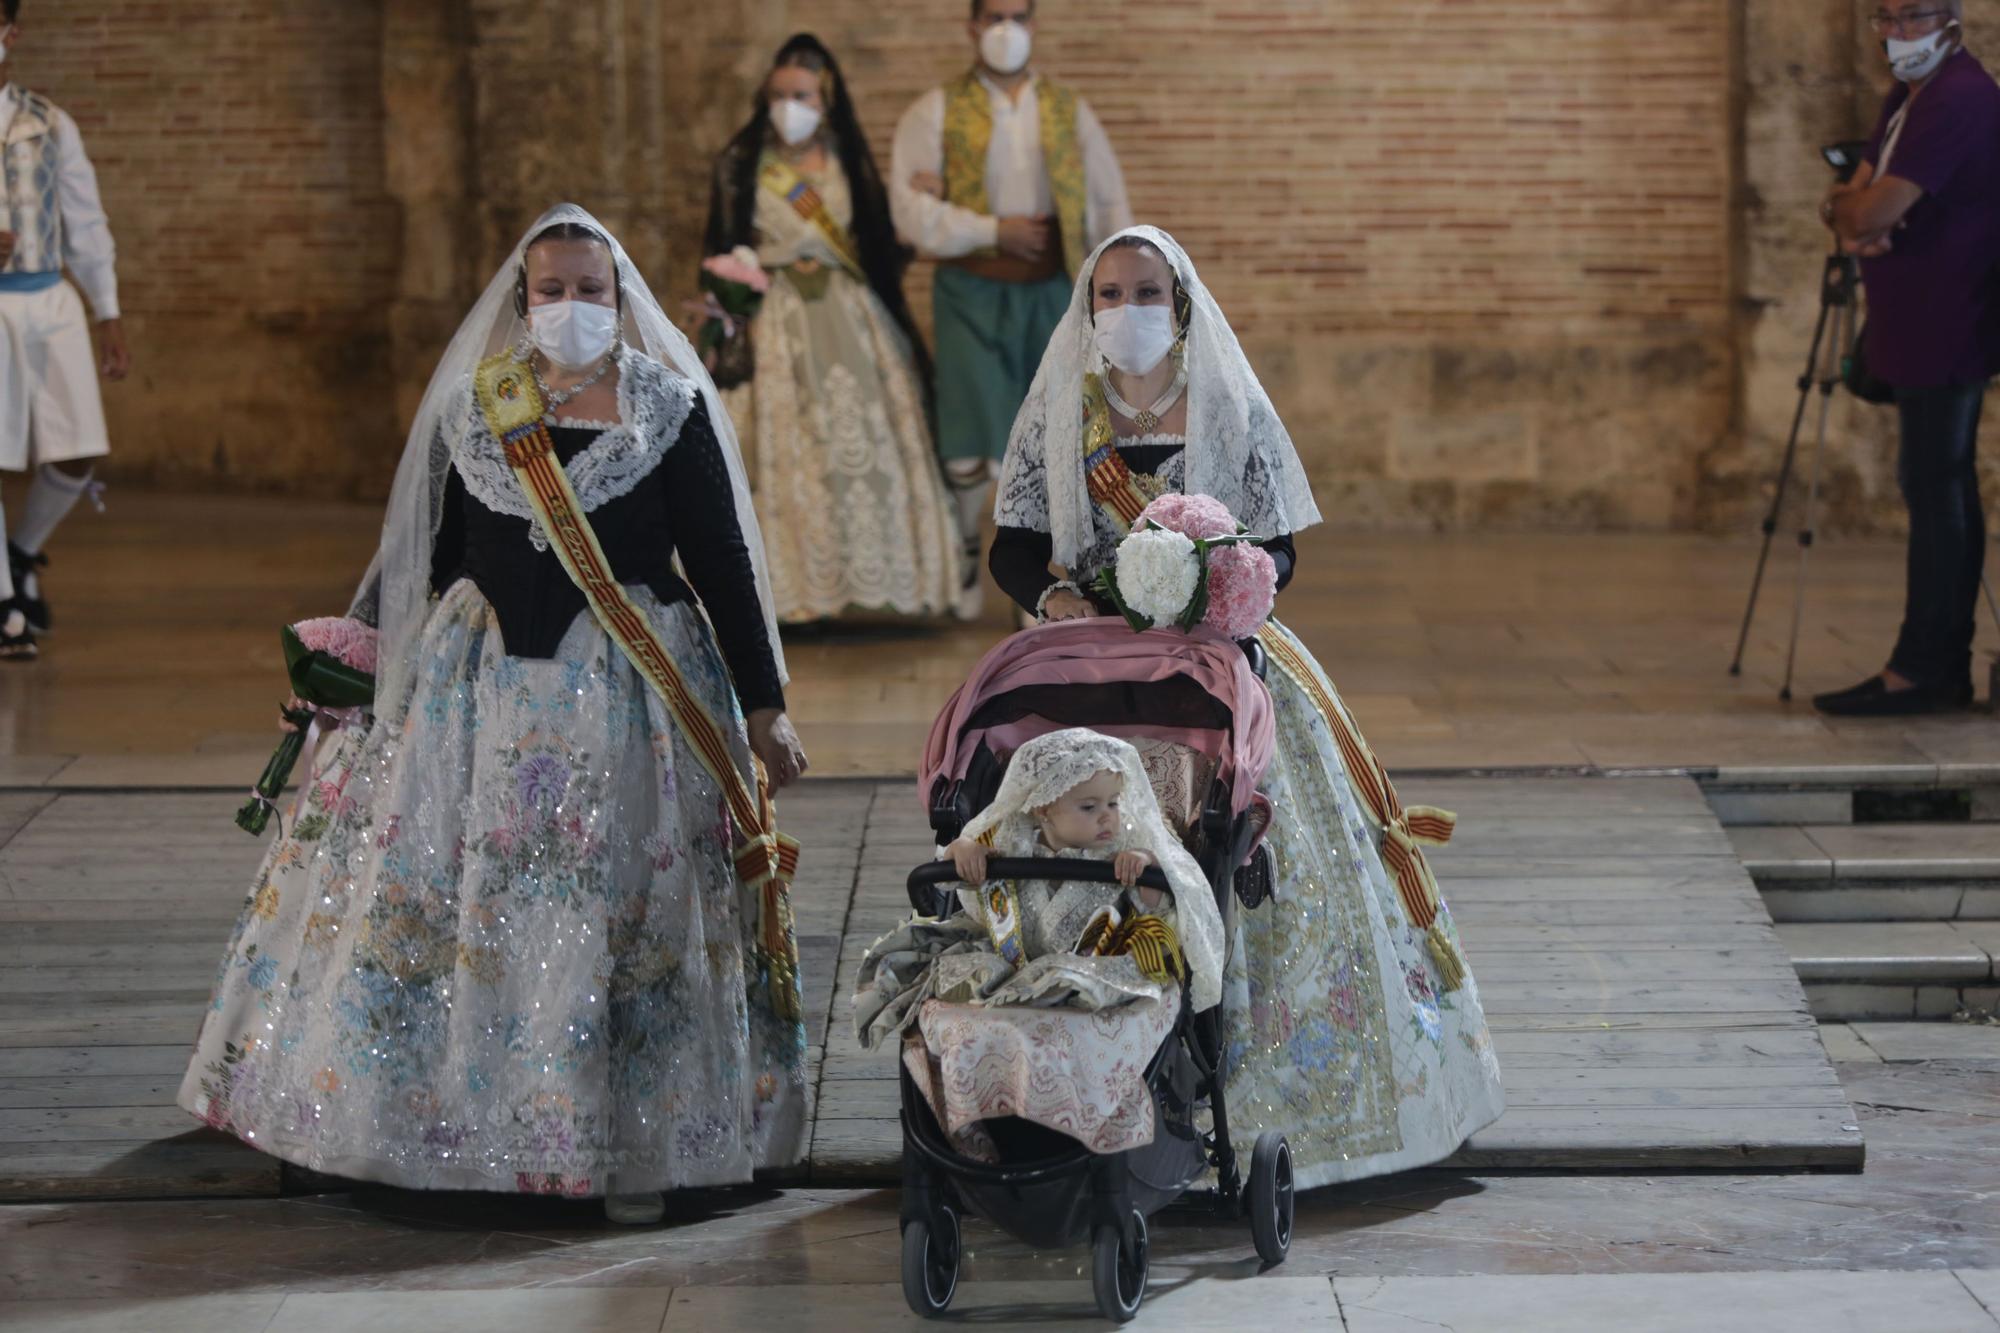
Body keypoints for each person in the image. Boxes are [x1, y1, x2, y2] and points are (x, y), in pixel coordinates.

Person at [179, 205, 812, 1227]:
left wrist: (766, 706)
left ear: (621, 298)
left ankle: (634, 1142)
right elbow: (418, 554)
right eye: (550, 291)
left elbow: (725, 564)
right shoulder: (477, 409)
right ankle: (437, 1127)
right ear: (522, 303)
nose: (570, 307)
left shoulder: (666, 407)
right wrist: (353, 652)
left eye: (589, 290)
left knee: (619, 907)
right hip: (473, 698)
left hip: (632, 699)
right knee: (462, 894)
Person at [989, 225, 1506, 1188]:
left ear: (1180, 305)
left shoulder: (1223, 402)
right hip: (1099, 672)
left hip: (1220, 667)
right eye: (1109, 294)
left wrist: (1219, 591)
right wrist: (1057, 599)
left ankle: (1265, 1096)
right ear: (1087, 307)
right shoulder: (1062, 411)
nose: (1127, 311)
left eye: (1147, 293)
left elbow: (1279, 546)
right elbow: (1014, 544)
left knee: (1245, 852)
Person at [853, 727, 1224, 1158]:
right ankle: (978, 1120)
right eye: (1089, 806)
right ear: (1044, 809)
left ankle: (1081, 1126)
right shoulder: (1012, 838)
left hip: (1092, 965)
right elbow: (966, 866)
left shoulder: (1125, 847)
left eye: (1113, 803)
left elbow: (1162, 904)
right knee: (946, 982)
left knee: (1115, 994)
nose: (1107, 816)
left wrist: (1146, 867)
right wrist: (964, 852)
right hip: (1016, 960)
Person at [706, 34, 965, 624]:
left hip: (850, 314)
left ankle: (871, 586)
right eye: (777, 94)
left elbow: (876, 244)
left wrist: (922, 209)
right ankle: (783, 592)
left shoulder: (849, 161)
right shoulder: (743, 164)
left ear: (825, 99)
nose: (787, 105)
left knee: (862, 441)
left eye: (800, 94)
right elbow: (719, 244)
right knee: (781, 447)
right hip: (775, 318)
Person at [890, 0, 1132, 615]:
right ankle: (972, 549)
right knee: (972, 442)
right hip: (971, 289)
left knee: (1053, 436)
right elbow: (910, 213)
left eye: (1019, 16)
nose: (1007, 29)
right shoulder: (934, 110)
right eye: (994, 17)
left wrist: (1117, 283)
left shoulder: (1067, 110)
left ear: (1034, 25)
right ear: (971, 26)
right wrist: (993, 230)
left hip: (1052, 293)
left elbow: (1106, 201)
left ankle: (1037, 584)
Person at [1814, 0, 2000, 716]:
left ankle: (1925, 669)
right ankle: (1930, 661)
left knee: (1937, 485)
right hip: (1915, 318)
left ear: (1950, 17)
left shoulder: (1959, 97)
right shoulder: (1910, 93)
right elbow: (1860, 198)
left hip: (1951, 317)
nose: (1895, 34)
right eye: (1883, 17)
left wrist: (1847, 210)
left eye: (1912, 17)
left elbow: (1866, 212)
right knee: (1932, 483)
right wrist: (1853, 209)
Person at [0, 1, 130, 660]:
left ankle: (19, 554)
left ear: (10, 32)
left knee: (77, 446)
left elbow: (85, 222)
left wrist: (106, 310)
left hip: (47, 298)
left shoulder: (51, 124)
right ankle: (3, 602)